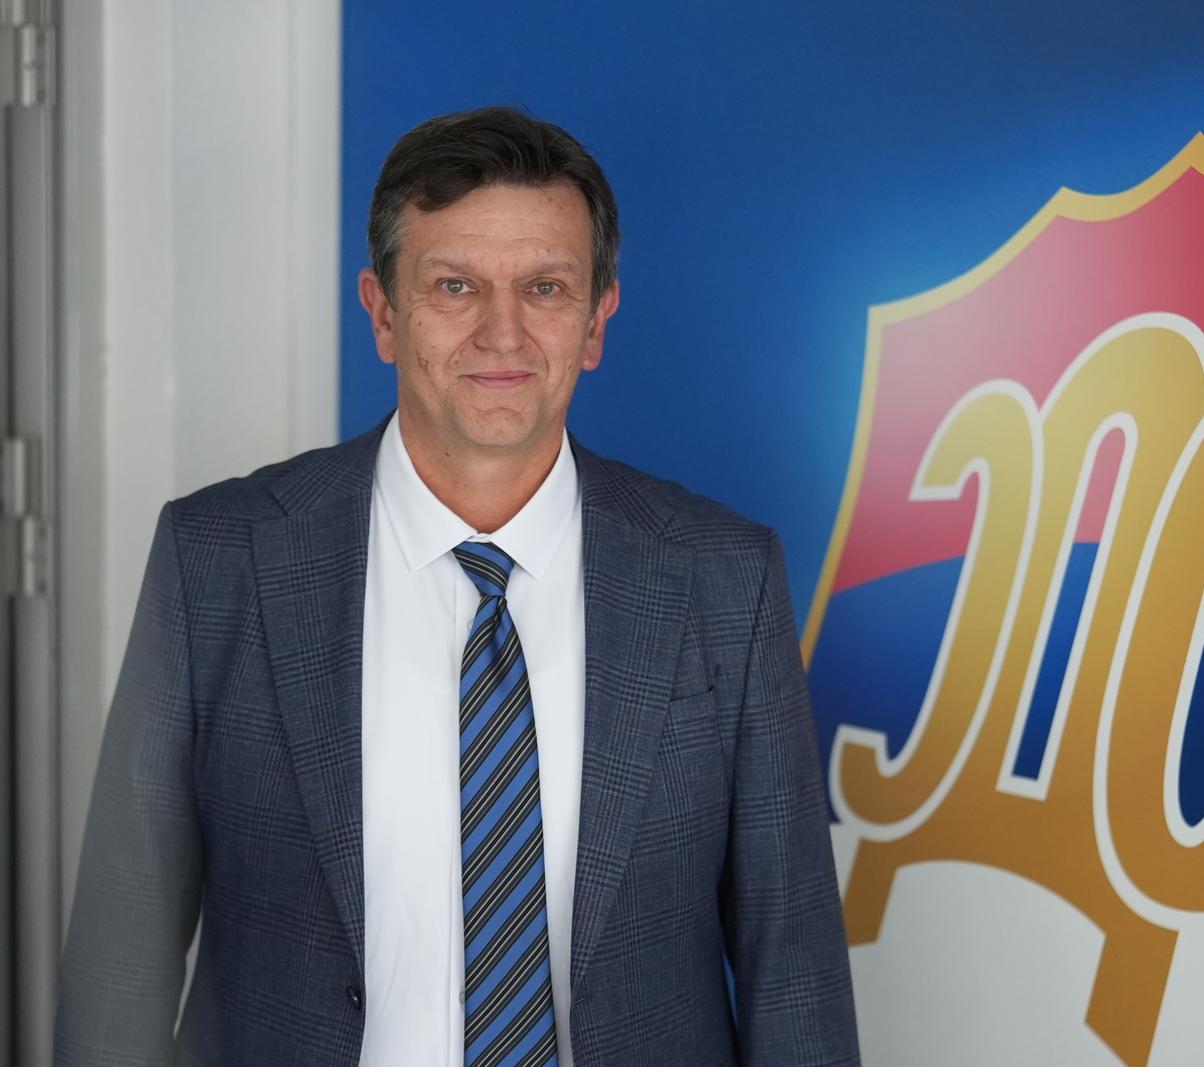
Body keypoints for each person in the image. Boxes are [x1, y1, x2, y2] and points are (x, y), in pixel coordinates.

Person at [55, 106, 860, 1067]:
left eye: (545, 287)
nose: (502, 332)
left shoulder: (725, 578)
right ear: (383, 313)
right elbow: (121, 953)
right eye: (455, 286)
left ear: (597, 320)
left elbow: (793, 971)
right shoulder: (218, 560)